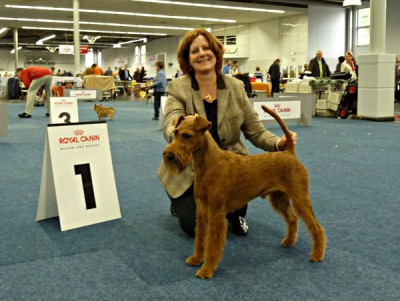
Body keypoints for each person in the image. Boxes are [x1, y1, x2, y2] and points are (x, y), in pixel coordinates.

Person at [157, 28, 297, 237]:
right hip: (193, 167)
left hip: (232, 166)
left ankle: (235, 213)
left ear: (216, 52)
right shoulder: (178, 87)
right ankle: (179, 202)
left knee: (228, 204)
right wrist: (181, 128)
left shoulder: (236, 86)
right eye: (195, 51)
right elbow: (170, 123)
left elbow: (255, 130)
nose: (202, 53)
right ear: (187, 58)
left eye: (206, 48)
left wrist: (279, 143)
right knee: (195, 227)